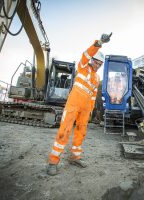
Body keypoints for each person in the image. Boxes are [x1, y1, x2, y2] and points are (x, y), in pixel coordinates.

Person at [46, 33, 112, 176]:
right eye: (97, 62)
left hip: (85, 108)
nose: (98, 65)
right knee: (65, 130)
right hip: (73, 104)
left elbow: (93, 95)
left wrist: (91, 110)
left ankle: (75, 156)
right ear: (91, 60)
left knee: (81, 132)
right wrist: (100, 42)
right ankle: (53, 161)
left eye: (100, 64)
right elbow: (87, 53)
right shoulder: (83, 66)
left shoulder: (96, 77)